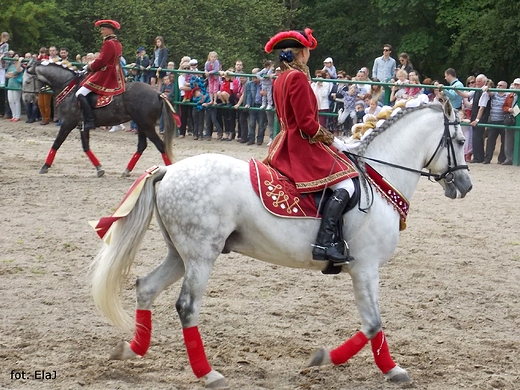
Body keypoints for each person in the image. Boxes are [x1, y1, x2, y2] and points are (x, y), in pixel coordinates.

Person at [264, 28, 358, 265]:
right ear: (302, 53)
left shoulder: (281, 78)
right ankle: (324, 242)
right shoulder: (297, 78)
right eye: (308, 51)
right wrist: (337, 142)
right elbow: (307, 124)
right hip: (300, 145)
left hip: (283, 141)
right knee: (346, 183)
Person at [75, 19, 125, 131]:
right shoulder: (117, 43)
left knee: (79, 93)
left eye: (103, 29)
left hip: (105, 74)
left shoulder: (108, 43)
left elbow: (101, 61)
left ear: (108, 30)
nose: (101, 32)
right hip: (116, 74)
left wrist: (88, 67)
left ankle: (89, 120)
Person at [483, 80, 507, 164]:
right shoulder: (494, 94)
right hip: (493, 121)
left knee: (504, 141)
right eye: (497, 85)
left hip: (503, 121)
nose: (498, 87)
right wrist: (486, 88)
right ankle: (487, 158)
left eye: (500, 85)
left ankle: (501, 159)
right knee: (490, 141)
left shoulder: (507, 95)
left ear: (504, 87)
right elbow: (489, 91)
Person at [468, 74, 491, 163]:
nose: (477, 83)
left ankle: (479, 157)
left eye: (479, 81)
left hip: (481, 117)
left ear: (484, 82)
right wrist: (456, 90)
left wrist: (477, 120)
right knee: (475, 137)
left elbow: (482, 107)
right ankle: (477, 157)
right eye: (476, 81)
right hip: (475, 116)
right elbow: (466, 95)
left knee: (478, 137)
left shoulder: (484, 92)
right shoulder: (476, 90)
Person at [501, 78, 520, 165]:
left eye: (518, 85)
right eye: (515, 84)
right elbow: (504, 106)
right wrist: (509, 109)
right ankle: (509, 158)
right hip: (511, 118)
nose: (516, 86)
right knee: (508, 139)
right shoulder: (510, 95)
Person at [5, 55, 23, 122]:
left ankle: (17, 116)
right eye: (14, 56)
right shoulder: (11, 66)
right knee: (10, 101)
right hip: (10, 85)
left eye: (17, 56)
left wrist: (19, 62)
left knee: (16, 101)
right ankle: (13, 115)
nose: (15, 57)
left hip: (17, 85)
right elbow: (6, 75)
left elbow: (18, 70)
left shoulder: (20, 66)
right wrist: (12, 75)